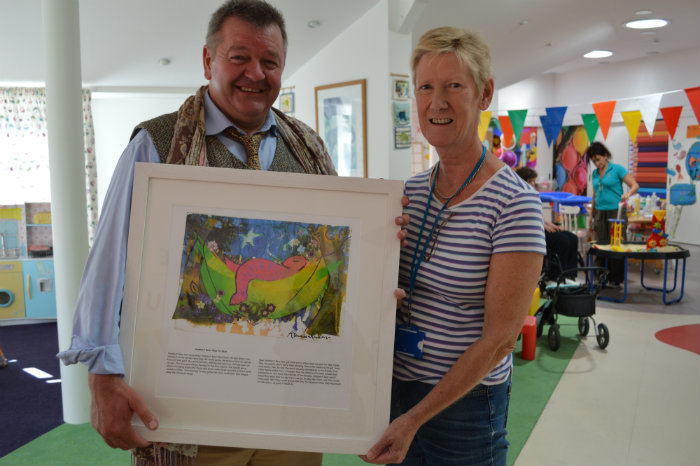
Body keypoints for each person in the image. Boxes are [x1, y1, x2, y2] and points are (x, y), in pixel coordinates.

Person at [57, 1, 407, 465]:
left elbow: (331, 255)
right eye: (239, 57)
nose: (255, 74)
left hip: (292, 407)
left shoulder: (310, 147)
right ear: (208, 60)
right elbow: (107, 264)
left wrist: (374, 274)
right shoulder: (157, 144)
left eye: (270, 62)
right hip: (187, 407)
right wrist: (102, 377)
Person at [361, 27, 545, 466]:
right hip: (394, 389)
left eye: (453, 86)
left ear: (484, 94)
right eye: (425, 87)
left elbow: (500, 340)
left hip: (464, 405)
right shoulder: (408, 193)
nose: (436, 102)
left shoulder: (515, 202)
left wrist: (414, 419)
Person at [586, 141, 639, 284]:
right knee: (600, 244)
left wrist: (628, 194)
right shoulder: (595, 174)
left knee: (616, 245)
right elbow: (595, 194)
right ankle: (601, 276)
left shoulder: (617, 169)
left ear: (605, 155)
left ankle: (616, 279)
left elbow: (635, 185)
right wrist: (592, 215)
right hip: (599, 212)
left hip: (616, 212)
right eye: (593, 161)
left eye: (598, 159)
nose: (596, 163)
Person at [516, 166, 580, 278]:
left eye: (533, 181)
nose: (533, 184)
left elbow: (538, 215)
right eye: (530, 181)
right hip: (532, 233)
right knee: (562, 241)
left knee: (572, 238)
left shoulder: (532, 195)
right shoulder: (519, 196)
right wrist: (543, 226)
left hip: (539, 228)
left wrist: (551, 225)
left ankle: (570, 275)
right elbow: (528, 217)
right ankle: (556, 277)